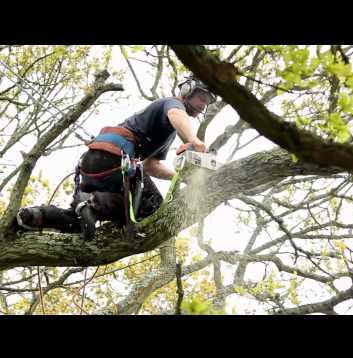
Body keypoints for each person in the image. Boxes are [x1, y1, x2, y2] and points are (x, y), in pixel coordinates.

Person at [15, 75, 216, 240]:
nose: (202, 106)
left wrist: (178, 177)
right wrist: (193, 140)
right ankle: (94, 204)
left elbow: (151, 165)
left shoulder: (167, 132)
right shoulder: (172, 105)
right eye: (202, 99)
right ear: (187, 90)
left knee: (79, 221)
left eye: (206, 103)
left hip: (94, 164)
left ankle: (36, 216)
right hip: (116, 161)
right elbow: (175, 113)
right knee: (152, 205)